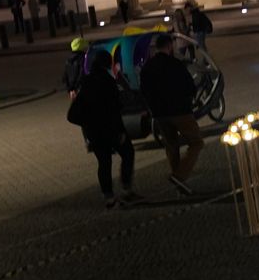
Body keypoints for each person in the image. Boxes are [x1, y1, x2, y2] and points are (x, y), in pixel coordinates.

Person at [66, 48, 138, 207]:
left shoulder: (86, 82)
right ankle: (126, 189)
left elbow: (74, 113)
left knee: (104, 162)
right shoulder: (108, 82)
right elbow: (114, 109)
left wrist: (87, 124)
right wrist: (120, 131)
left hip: (94, 132)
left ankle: (108, 196)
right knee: (128, 153)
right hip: (110, 129)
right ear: (107, 64)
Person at [139, 32, 201, 195]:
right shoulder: (175, 64)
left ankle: (179, 181)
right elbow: (189, 86)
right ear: (169, 46)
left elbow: (144, 91)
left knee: (171, 145)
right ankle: (179, 176)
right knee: (196, 142)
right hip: (180, 110)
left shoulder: (148, 67)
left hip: (159, 114)